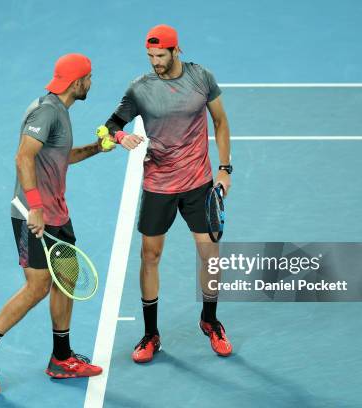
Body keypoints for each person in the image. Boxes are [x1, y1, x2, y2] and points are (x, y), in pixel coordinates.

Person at [0, 53, 109, 394]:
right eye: (90, 78)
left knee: (66, 280)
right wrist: (36, 208)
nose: (91, 83)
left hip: (58, 213)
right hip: (33, 215)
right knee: (38, 286)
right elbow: (23, 156)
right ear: (79, 82)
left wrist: (97, 149)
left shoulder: (60, 112)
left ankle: (61, 357)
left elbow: (60, 156)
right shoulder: (47, 112)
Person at [104, 24, 234, 363]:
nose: (155, 63)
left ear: (176, 51)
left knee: (209, 254)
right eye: (150, 56)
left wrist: (225, 168)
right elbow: (111, 126)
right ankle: (151, 334)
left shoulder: (201, 78)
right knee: (150, 256)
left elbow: (220, 121)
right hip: (158, 185)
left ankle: (210, 319)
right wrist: (120, 139)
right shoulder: (140, 89)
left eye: (160, 56)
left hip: (198, 183)